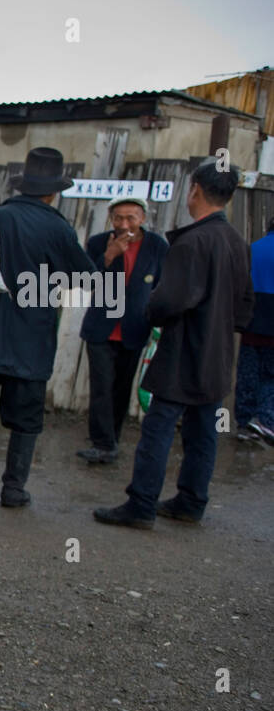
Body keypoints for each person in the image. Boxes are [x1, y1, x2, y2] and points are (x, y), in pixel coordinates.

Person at [94, 158, 254, 528]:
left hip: (183, 351)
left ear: (195, 190)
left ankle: (141, 504)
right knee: (203, 431)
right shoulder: (236, 242)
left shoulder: (192, 241)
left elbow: (169, 302)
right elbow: (246, 305)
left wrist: (153, 312)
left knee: (158, 429)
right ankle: (191, 500)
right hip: (217, 354)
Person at [0, 147, 98, 507]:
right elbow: (88, 278)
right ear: (53, 191)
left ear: (23, 185)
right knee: (25, 418)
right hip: (30, 339)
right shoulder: (58, 228)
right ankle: (12, 490)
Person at [77, 198, 169, 464]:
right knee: (102, 387)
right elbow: (84, 280)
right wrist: (109, 256)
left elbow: (162, 285)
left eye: (131, 218)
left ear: (142, 218)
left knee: (121, 388)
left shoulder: (156, 247)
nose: (124, 224)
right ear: (110, 218)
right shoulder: (97, 243)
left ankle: (111, 439)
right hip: (101, 327)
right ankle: (102, 443)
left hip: (134, 327)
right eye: (118, 218)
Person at [235, 216, 274, 445]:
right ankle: (266, 421)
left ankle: (244, 422)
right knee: (271, 377)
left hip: (252, 323)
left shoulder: (252, 249)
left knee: (248, 373)